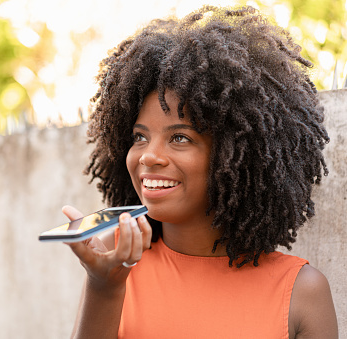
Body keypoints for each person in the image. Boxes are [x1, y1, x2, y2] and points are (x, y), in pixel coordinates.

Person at [62, 5, 338, 338]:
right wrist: (102, 287)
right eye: (139, 136)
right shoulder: (115, 260)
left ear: (237, 154)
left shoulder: (301, 293)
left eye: (180, 137)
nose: (149, 156)